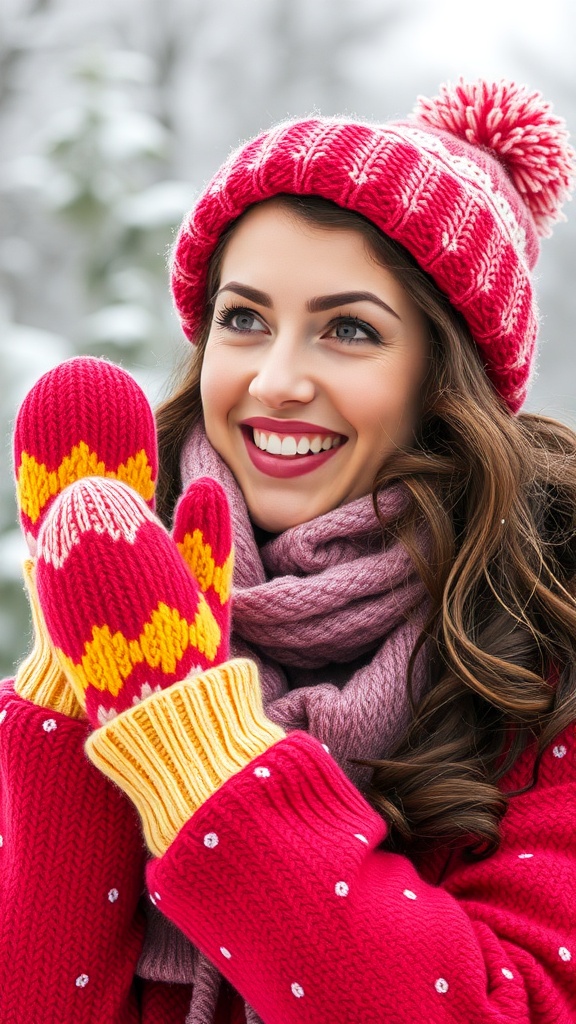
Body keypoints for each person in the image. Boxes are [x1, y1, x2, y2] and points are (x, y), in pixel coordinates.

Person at [1, 77, 575, 1024]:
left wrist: (196, 745)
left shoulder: (545, 670)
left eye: (349, 330)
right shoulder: (122, 594)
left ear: (444, 380)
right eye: (244, 319)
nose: (275, 380)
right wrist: (76, 682)